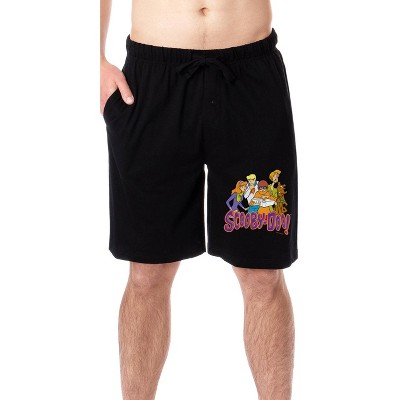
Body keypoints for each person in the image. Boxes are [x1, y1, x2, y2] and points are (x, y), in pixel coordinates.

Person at [100, 0, 298, 398]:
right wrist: (92, 59)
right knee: (147, 273)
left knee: (262, 273)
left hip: (250, 77)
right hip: (151, 83)